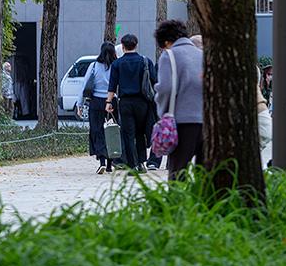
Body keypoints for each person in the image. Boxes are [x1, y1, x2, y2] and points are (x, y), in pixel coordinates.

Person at [154, 20, 203, 180]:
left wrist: (162, 112)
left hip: (182, 122)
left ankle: (178, 203)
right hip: (206, 122)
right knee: (203, 173)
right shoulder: (203, 55)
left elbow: (166, 88)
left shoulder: (169, 56)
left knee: (178, 171)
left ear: (167, 42)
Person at [106, 33, 157, 172]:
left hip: (125, 102)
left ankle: (132, 164)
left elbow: (112, 85)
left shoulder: (117, 64)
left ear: (122, 47)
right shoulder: (145, 61)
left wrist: (108, 102)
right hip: (142, 102)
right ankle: (142, 163)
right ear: (136, 45)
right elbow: (154, 81)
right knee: (141, 133)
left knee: (128, 133)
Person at [84, 42, 117, 174]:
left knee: (97, 131)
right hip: (112, 101)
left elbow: (85, 84)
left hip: (96, 102)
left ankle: (102, 161)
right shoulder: (115, 66)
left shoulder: (93, 66)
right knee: (111, 131)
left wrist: (80, 103)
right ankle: (110, 163)